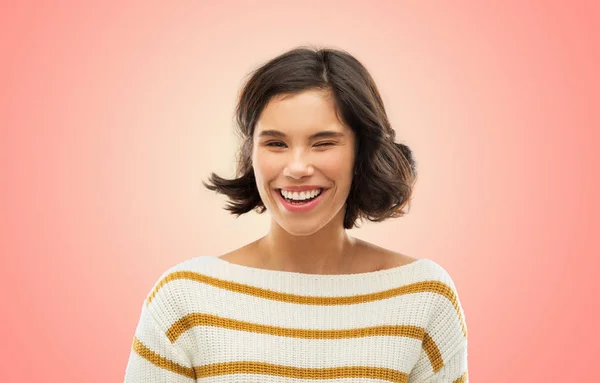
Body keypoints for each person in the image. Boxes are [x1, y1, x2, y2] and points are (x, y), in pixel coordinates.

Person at [124, 46, 468, 382]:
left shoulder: (422, 297)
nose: (298, 167)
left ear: (361, 154)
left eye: (323, 143)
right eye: (276, 143)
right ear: (251, 154)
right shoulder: (184, 300)